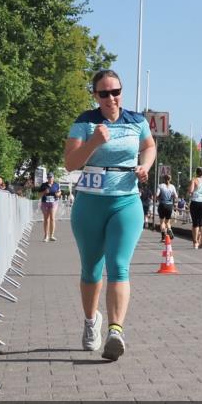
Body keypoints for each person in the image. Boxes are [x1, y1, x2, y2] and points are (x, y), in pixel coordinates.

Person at [64, 69, 156, 360]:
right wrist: (94, 142)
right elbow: (70, 164)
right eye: (103, 93)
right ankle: (92, 322)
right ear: (95, 96)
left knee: (119, 265)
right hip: (90, 203)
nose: (111, 98)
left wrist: (145, 166)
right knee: (91, 270)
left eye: (115, 92)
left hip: (125, 202)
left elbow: (150, 145)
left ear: (121, 93)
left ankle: (116, 331)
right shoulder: (84, 122)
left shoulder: (136, 121)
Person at [38, 173, 62, 241]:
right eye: (48, 177)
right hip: (45, 203)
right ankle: (46, 236)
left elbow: (60, 192)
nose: (50, 178)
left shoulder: (56, 185)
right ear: (47, 178)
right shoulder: (43, 185)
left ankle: (51, 235)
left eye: (51, 177)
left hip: (53, 203)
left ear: (53, 178)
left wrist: (58, 194)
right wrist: (44, 192)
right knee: (46, 219)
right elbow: (39, 195)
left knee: (52, 218)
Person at [156, 174, 178, 241]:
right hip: (169, 205)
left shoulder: (160, 186)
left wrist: (157, 199)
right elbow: (176, 196)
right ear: (170, 179)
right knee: (167, 222)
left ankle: (163, 237)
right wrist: (175, 204)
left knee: (162, 221)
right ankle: (169, 229)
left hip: (162, 204)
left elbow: (157, 195)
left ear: (163, 179)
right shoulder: (172, 187)